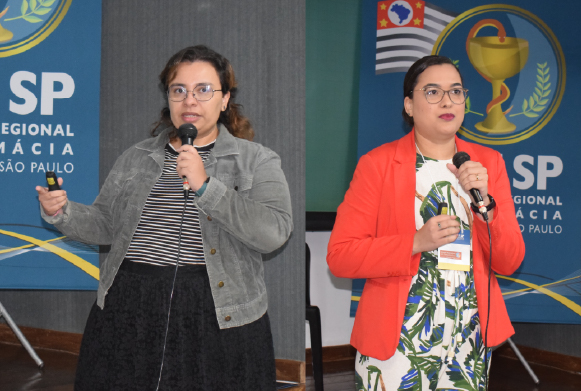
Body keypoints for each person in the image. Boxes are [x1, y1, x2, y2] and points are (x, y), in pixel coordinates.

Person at [36, 45, 293, 391]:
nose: (190, 101)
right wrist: (62, 212)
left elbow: (274, 232)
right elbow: (105, 224)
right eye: (179, 90)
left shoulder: (256, 160)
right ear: (168, 98)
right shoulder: (137, 157)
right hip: (129, 307)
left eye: (203, 90)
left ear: (225, 99)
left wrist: (206, 187)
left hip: (215, 312)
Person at [327, 55, 525, 390]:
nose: (447, 101)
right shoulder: (378, 165)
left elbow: (509, 260)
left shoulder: (487, 163)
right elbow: (341, 256)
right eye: (432, 92)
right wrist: (415, 242)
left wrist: (486, 208)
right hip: (398, 336)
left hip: (469, 336)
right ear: (409, 104)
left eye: (456, 91)